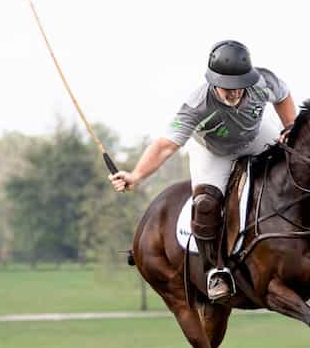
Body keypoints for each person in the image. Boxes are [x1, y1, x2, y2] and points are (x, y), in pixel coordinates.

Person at [110, 40, 297, 301]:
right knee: (206, 204)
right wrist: (136, 175)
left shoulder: (263, 81)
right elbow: (165, 145)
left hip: (255, 137)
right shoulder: (197, 104)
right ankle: (216, 272)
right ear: (213, 80)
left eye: (238, 86)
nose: (233, 93)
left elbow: (284, 96)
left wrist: (290, 126)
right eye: (226, 88)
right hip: (213, 151)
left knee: (296, 161)